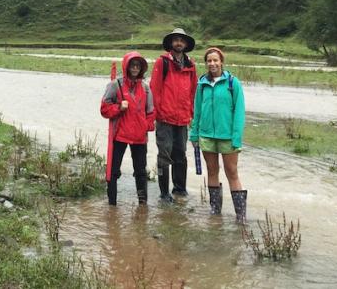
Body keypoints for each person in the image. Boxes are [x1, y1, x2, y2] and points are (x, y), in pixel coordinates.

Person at [189, 47, 247, 223]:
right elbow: (197, 110)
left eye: (215, 60)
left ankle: (240, 215)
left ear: (221, 61)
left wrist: (236, 137)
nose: (212, 63)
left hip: (228, 137)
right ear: (206, 63)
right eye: (209, 61)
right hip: (206, 136)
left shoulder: (232, 83)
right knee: (212, 171)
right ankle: (215, 211)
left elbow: (239, 112)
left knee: (232, 172)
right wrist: (194, 134)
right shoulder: (202, 84)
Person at [100, 51, 155, 206]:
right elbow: (104, 109)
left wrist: (147, 126)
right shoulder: (114, 85)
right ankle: (112, 205)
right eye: (132, 65)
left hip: (139, 137)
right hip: (120, 135)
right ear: (126, 66)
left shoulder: (145, 88)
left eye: (138, 65)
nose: (135, 68)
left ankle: (142, 204)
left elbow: (151, 111)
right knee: (113, 171)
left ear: (142, 68)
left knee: (140, 172)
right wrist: (119, 108)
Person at [150, 28, 198, 202]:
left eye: (181, 40)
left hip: (183, 118)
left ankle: (180, 189)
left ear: (185, 44)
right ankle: (164, 193)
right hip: (164, 118)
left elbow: (194, 92)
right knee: (164, 155)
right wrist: (155, 115)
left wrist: (192, 115)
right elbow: (155, 90)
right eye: (176, 40)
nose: (179, 43)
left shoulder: (191, 65)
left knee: (181, 153)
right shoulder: (162, 63)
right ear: (171, 43)